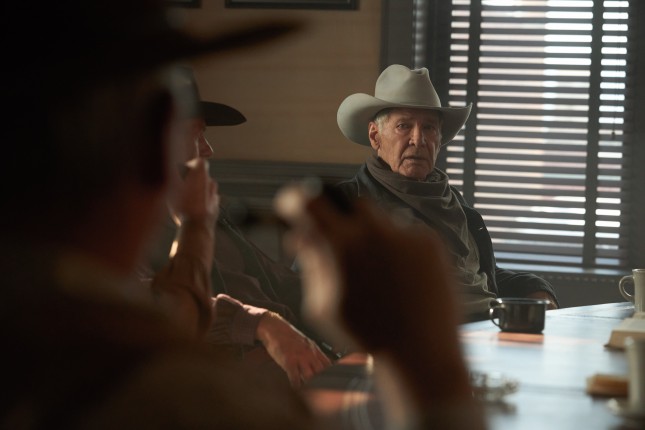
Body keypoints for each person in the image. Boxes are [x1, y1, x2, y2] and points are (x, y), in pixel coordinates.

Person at [1, 1, 486, 427]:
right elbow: (162, 312)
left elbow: (188, 300)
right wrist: (426, 363)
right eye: (189, 134)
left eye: (430, 128)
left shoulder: (51, 294)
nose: (208, 151)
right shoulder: (152, 388)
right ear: (149, 149)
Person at [144, 65, 331, 388]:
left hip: (287, 370)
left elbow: (276, 280)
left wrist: (342, 289)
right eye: (194, 134)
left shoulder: (212, 212)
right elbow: (150, 306)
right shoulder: (129, 227)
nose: (207, 149)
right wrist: (261, 324)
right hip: (221, 384)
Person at [335, 64, 559, 321]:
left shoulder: (454, 202)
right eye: (404, 126)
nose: (418, 139)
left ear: (439, 139)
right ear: (375, 136)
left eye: (429, 128)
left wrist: (536, 289)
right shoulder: (347, 204)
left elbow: (478, 277)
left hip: (488, 326)